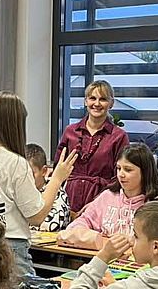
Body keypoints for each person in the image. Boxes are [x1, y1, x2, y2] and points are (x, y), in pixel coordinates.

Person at [0, 92, 76, 277]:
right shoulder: (15, 163)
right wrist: (57, 178)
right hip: (8, 249)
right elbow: (36, 216)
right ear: (16, 124)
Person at [58, 143, 158, 249]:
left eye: (128, 170)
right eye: (118, 168)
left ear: (145, 172)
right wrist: (88, 236)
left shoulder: (156, 205)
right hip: (104, 256)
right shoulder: (107, 197)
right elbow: (79, 223)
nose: (121, 174)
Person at [55, 80, 129, 213]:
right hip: (68, 198)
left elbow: (119, 176)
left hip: (102, 200)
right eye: (92, 98)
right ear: (85, 101)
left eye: (103, 99)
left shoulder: (119, 136)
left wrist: (98, 203)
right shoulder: (70, 131)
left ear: (111, 103)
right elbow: (58, 168)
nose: (97, 103)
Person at [25, 144, 71, 233]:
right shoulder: (19, 189)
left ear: (44, 171)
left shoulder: (56, 191)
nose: (26, 179)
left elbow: (51, 226)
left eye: (31, 174)